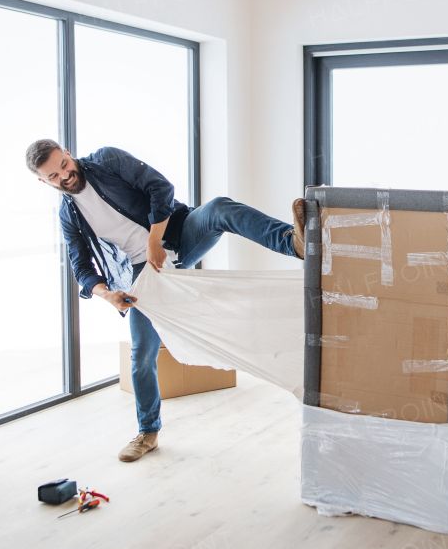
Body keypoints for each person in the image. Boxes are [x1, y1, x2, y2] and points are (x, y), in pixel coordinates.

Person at [26, 139, 304, 462]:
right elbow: (81, 266)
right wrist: (108, 295)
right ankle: (148, 433)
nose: (65, 176)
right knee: (141, 354)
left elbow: (160, 188)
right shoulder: (68, 214)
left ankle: (294, 243)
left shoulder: (106, 160)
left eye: (64, 165)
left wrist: (154, 241)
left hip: (175, 236)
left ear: (68, 154)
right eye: (55, 177)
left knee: (219, 209)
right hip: (142, 276)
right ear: (43, 182)